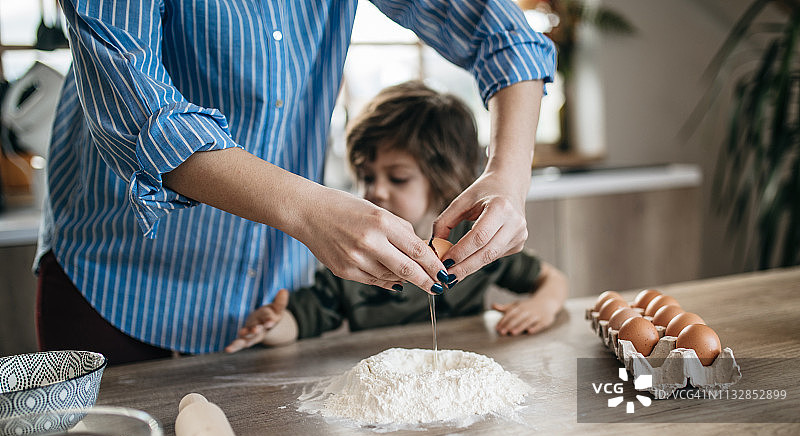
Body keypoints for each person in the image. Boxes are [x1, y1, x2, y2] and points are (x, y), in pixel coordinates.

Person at [36, 0, 556, 364]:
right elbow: (141, 114)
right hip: (114, 278)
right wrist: (310, 210)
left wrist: (507, 176)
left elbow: (502, 33)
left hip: (264, 287)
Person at [224, 82, 567, 352]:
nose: (378, 191)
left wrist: (543, 305)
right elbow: (302, 318)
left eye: (398, 178)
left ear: (443, 179)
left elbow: (551, 280)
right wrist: (272, 325)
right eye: (367, 177)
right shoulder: (355, 254)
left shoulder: (474, 242)